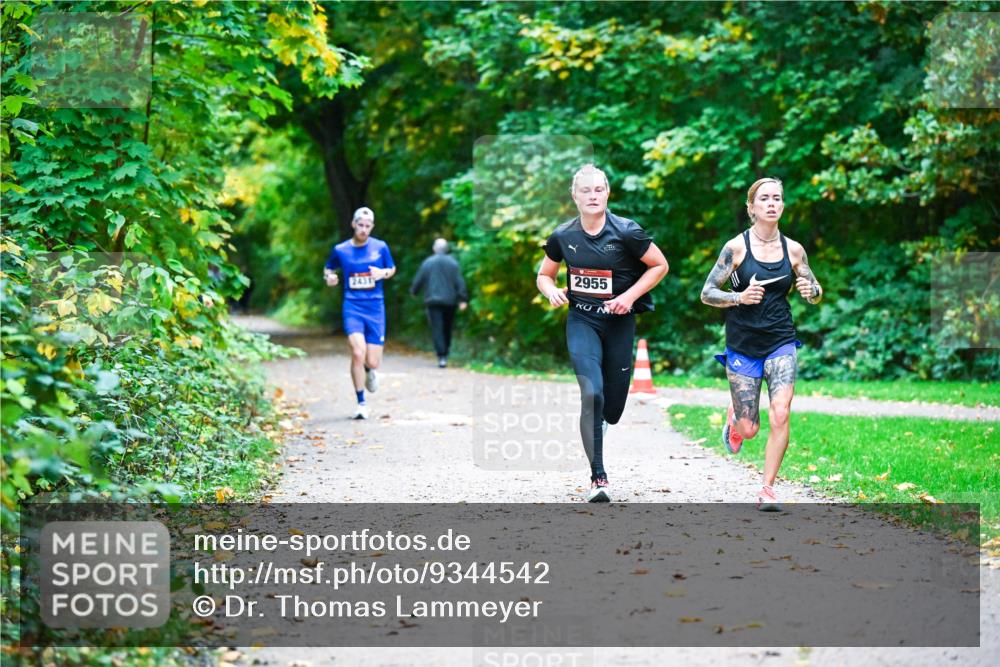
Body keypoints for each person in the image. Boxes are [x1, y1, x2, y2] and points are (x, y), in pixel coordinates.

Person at [537, 164, 669, 502]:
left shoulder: (627, 231)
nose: (593, 196)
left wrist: (628, 297)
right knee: (591, 393)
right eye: (586, 191)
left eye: (599, 190)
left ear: (607, 193)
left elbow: (660, 265)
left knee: (612, 408)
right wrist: (550, 290)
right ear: (574, 196)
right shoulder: (563, 236)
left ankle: (602, 422)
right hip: (582, 321)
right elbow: (545, 275)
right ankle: (599, 478)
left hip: (619, 323)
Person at [700, 177, 823, 511]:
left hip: (781, 340)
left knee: (781, 413)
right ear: (752, 207)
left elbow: (815, 289)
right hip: (743, 344)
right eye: (764, 198)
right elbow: (707, 292)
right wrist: (739, 297)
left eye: (777, 198)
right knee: (750, 428)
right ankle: (735, 419)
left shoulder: (794, 250)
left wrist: (811, 291)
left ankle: (767, 489)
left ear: (782, 206)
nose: (771, 203)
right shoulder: (735, 248)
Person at [323, 207, 397, 420]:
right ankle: (361, 402)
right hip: (352, 306)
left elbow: (391, 268)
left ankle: (369, 369)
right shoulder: (341, 249)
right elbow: (329, 268)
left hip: (375, 307)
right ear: (353, 224)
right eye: (360, 225)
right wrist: (330, 278)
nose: (364, 229)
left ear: (372, 227)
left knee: (372, 361)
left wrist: (382, 273)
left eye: (368, 226)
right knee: (357, 351)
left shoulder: (380, 247)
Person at [410, 238, 468, 368]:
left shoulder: (428, 263)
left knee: (437, 328)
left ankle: (441, 356)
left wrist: (414, 291)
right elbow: (460, 282)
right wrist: (463, 299)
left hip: (433, 301)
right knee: (447, 327)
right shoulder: (453, 263)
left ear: (434, 249)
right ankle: (445, 352)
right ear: (447, 249)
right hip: (450, 301)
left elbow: (419, 279)